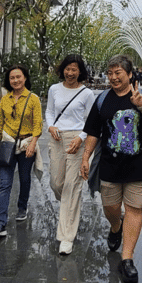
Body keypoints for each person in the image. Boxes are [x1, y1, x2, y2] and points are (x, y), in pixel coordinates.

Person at [80, 55, 142, 283]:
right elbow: (93, 132)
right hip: (110, 165)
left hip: (141, 165)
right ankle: (116, 226)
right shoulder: (102, 100)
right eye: (110, 73)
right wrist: (86, 157)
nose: (113, 77)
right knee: (110, 207)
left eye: (118, 73)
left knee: (134, 209)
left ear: (129, 74)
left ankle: (127, 259)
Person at [45, 55, 96, 256]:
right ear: (62, 70)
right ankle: (70, 207)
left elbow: (91, 121)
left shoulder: (87, 93)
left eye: (74, 69)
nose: (70, 72)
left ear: (80, 71)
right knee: (56, 184)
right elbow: (49, 111)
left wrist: (81, 138)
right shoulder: (54, 89)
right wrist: (50, 126)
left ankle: (66, 238)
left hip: (77, 140)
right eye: (67, 68)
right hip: (57, 138)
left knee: (71, 187)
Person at [0, 65, 42, 237]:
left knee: (25, 179)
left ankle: (22, 207)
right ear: (8, 80)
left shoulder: (33, 99)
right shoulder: (5, 100)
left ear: (25, 78)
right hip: (7, 144)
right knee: (5, 183)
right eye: (12, 78)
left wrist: (33, 144)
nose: (15, 80)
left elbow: (37, 124)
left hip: (26, 145)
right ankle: (0, 223)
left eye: (18, 77)